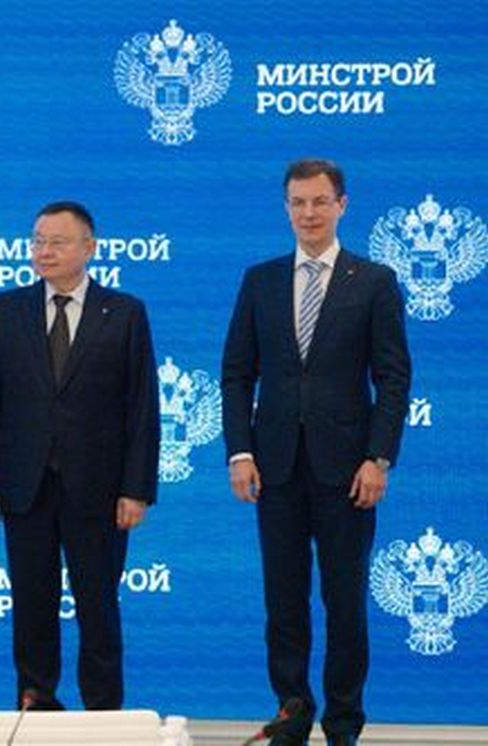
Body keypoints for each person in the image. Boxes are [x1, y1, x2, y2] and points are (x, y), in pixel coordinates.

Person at [221, 159, 411, 746]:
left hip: (348, 471)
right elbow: (236, 373)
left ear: (342, 205)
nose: (309, 213)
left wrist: (378, 458)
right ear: (286, 208)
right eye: (298, 202)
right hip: (275, 467)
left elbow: (393, 377)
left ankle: (344, 722)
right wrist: (240, 452)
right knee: (284, 601)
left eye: (320, 202)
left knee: (345, 602)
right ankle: (292, 712)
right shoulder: (260, 280)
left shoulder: (373, 280)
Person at [0, 201, 159, 710]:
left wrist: (136, 489)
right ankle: (36, 705)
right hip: (24, 486)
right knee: (32, 603)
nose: (44, 251)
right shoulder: (6, 310)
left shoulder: (124, 312)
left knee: (98, 607)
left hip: (100, 489)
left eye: (57, 241)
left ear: (89, 248)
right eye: (37, 241)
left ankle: (103, 714)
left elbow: (142, 409)